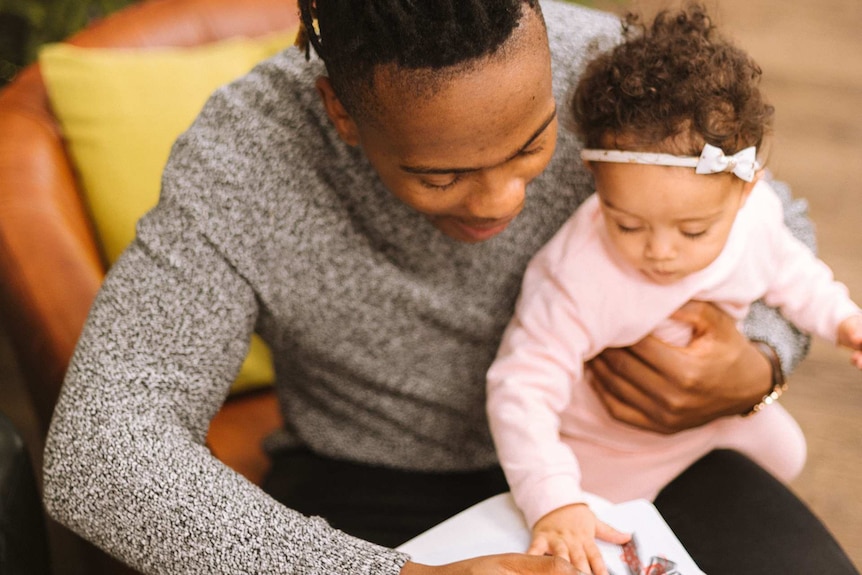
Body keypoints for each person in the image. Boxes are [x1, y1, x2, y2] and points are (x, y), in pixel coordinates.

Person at [40, 1, 859, 574]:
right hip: (375, 484)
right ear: (341, 112)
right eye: (441, 174)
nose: (502, 198)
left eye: (535, 144)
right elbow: (97, 454)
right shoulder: (245, 158)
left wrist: (761, 363)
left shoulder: (607, 70)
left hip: (629, 448)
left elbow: (765, 210)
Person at [486, 6, 862, 575]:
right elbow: (520, 387)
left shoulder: (756, 216)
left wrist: (842, 319)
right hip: (607, 447)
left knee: (790, 453)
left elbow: (793, 272)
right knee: (602, 544)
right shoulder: (573, 273)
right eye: (627, 224)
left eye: (693, 231)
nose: (660, 251)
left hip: (714, 412)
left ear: (746, 189)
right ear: (597, 185)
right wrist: (555, 497)